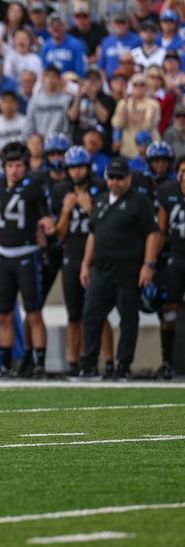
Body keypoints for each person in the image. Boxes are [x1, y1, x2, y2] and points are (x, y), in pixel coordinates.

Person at [79, 157, 160, 380]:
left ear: (129, 178)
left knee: (128, 319)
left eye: (119, 178)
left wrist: (148, 264)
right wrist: (86, 264)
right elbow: (93, 234)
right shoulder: (101, 200)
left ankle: (123, 364)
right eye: (111, 178)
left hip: (128, 271)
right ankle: (90, 364)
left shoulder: (140, 201)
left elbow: (153, 233)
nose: (115, 182)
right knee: (91, 315)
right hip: (101, 271)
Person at [0, 142, 56, 378]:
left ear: (25, 167)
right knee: (3, 314)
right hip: (5, 257)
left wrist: (47, 223)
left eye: (18, 165)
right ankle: (6, 365)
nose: (14, 170)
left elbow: (45, 215)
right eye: (10, 165)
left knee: (33, 312)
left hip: (27, 253)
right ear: (3, 167)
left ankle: (39, 365)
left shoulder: (33, 186)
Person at [54, 146, 112, 379]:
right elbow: (59, 235)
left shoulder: (99, 189)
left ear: (88, 168)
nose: (76, 171)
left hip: (97, 256)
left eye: (80, 166)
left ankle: (108, 363)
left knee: (99, 313)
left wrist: (90, 209)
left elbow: (107, 227)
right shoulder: (62, 191)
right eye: (72, 167)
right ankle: (74, 363)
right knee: (74, 314)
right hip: (71, 255)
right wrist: (66, 212)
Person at [155, 167, 185, 379]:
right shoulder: (168, 192)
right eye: (183, 170)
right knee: (170, 309)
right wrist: (149, 262)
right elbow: (161, 231)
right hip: (177, 255)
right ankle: (167, 362)